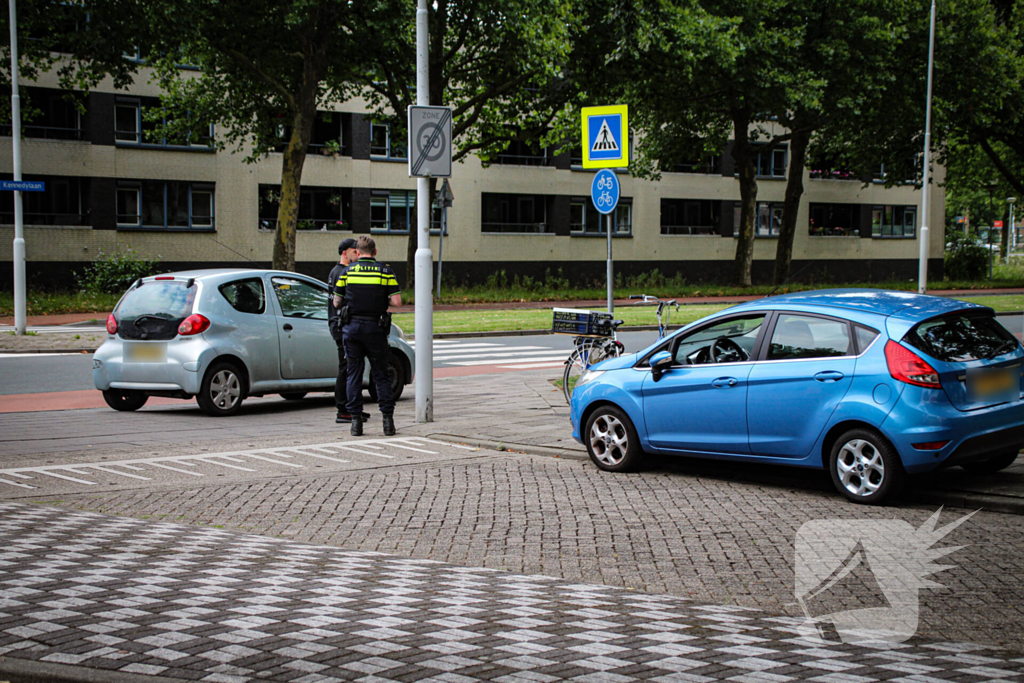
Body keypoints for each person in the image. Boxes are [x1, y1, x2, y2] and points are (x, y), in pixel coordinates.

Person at [333, 236, 402, 436]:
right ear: (375, 251)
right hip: (375, 328)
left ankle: (356, 423)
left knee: (354, 374)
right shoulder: (385, 271)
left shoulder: (347, 271)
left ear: (357, 251)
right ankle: (388, 423)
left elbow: (337, 302)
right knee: (381, 374)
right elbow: (396, 302)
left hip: (352, 329)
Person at [327, 238, 368, 424]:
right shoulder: (342, 272)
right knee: (346, 369)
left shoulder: (335, 272)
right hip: (341, 325)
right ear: (345, 253)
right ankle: (343, 409)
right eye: (354, 252)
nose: (357, 255)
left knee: (352, 367)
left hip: (339, 324)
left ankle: (353, 407)